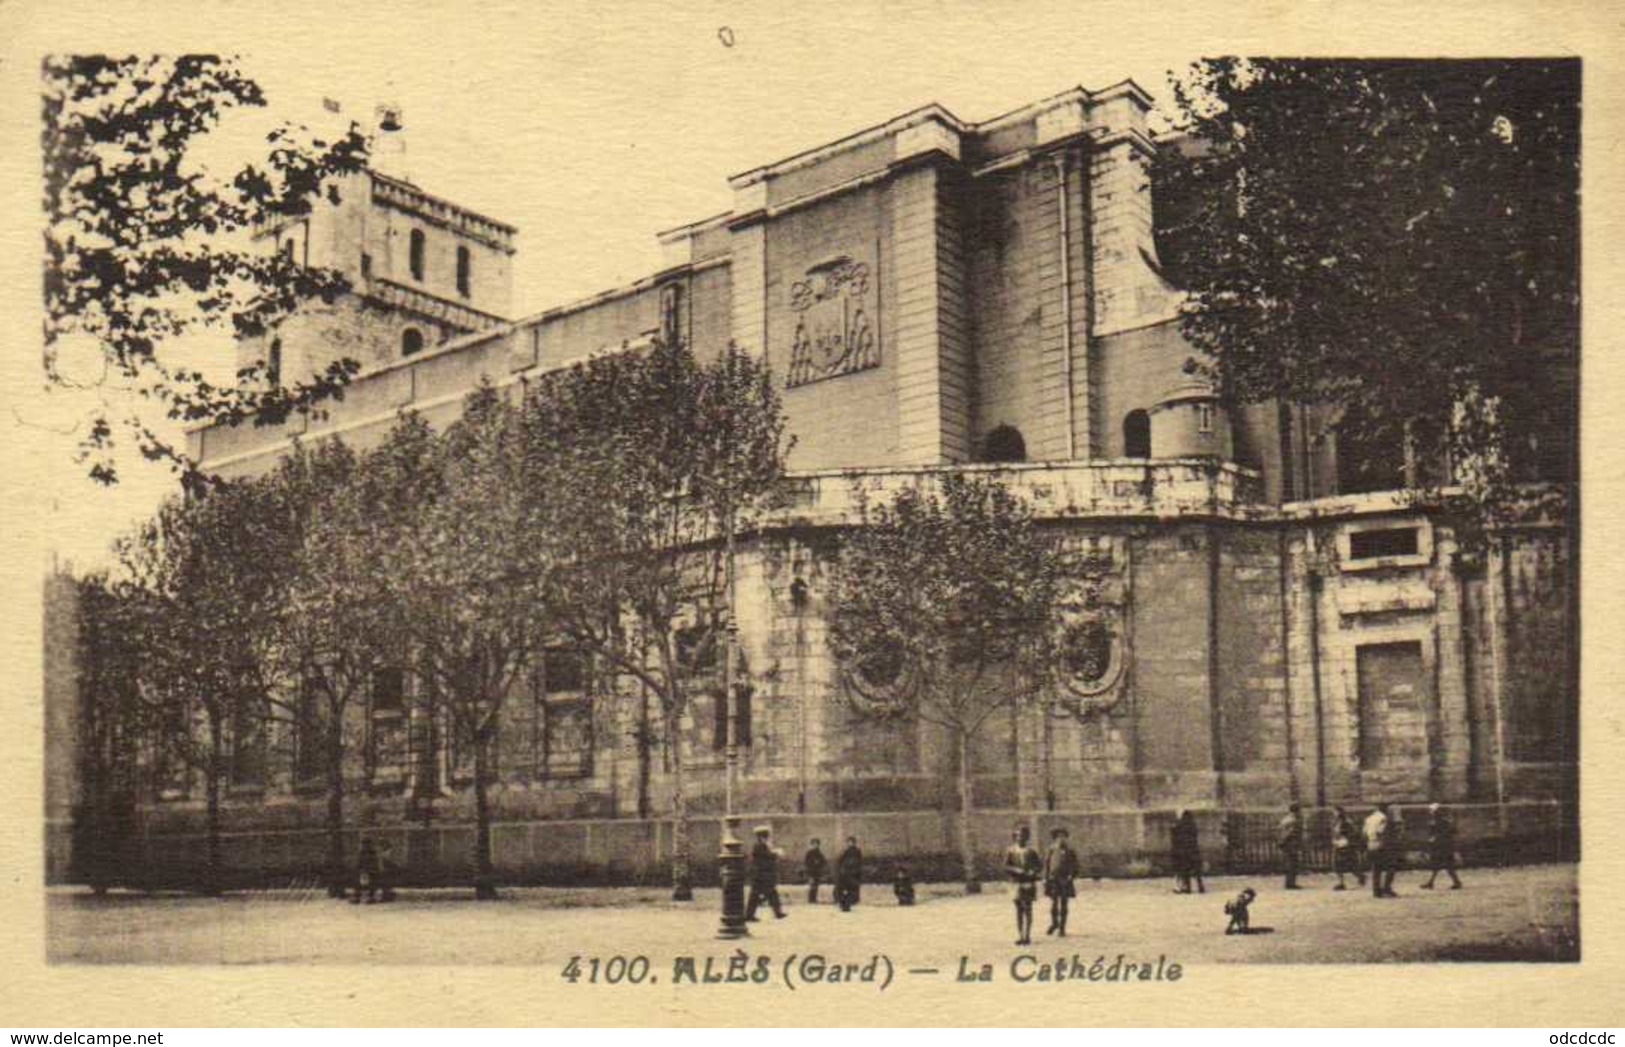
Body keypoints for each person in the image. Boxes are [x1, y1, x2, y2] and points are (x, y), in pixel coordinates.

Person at [1003, 825, 1043, 946]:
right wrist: (1016, 870)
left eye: (1023, 836)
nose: (1020, 838)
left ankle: (1027, 935)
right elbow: (1006, 866)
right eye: (1018, 836)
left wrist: (1033, 871)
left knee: (1028, 908)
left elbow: (1039, 866)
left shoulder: (1031, 852)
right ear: (1015, 837)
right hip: (1016, 883)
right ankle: (1020, 935)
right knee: (1019, 909)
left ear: (1027, 838)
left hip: (1028, 882)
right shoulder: (1010, 851)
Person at [744, 825, 786, 921]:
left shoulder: (762, 846)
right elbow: (766, 857)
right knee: (759, 895)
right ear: (761, 837)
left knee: (769, 894)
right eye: (765, 836)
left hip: (762, 875)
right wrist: (776, 853)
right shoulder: (759, 846)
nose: (766, 838)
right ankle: (749, 915)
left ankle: (777, 912)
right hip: (760, 875)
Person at [1043, 827, 1079, 937]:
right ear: (1055, 838)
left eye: (1063, 836)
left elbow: (1076, 866)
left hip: (1065, 880)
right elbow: (1047, 865)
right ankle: (1054, 923)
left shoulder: (1070, 851)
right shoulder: (1051, 849)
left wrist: (1071, 876)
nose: (1061, 839)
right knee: (1054, 904)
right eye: (1059, 836)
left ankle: (1062, 928)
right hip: (1053, 879)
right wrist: (1045, 878)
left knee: (1064, 904)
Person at [1421, 802, 1463, 890]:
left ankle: (1455, 882)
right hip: (1444, 845)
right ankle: (1455, 882)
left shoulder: (1438, 821)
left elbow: (1446, 832)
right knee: (1445, 865)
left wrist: (1435, 838)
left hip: (1442, 846)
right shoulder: (1443, 821)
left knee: (1441, 865)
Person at [1364, 802, 1400, 898]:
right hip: (1381, 844)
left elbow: (1364, 833)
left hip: (1371, 844)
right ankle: (1386, 888)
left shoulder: (1369, 818)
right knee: (1391, 866)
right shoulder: (1384, 818)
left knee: (1376, 869)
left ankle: (1376, 891)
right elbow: (1381, 832)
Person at [1331, 805, 1366, 890]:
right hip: (1338, 844)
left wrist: (1348, 841)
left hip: (1346, 845)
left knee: (1350, 864)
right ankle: (1341, 883)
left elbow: (1353, 833)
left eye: (1337, 812)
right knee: (1336, 863)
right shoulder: (1335, 822)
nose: (1335, 814)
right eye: (1334, 812)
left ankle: (1360, 876)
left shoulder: (1347, 822)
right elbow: (1335, 833)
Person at [1170, 810, 1204, 894]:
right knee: (1197, 872)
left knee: (1186, 871)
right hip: (1194, 850)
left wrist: (1173, 828)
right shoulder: (1193, 825)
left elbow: (1175, 836)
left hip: (1184, 852)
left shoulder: (1180, 825)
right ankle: (1201, 887)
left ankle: (1188, 888)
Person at [1278, 801, 1305, 889]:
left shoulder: (1285, 819)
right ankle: (1290, 883)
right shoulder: (1294, 820)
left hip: (1287, 844)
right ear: (1296, 810)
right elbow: (1290, 832)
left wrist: (1281, 841)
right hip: (1291, 844)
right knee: (1292, 863)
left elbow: (1280, 830)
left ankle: (1289, 882)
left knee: (1289, 863)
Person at [835, 836, 863, 912]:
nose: (851, 844)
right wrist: (842, 869)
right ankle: (844, 903)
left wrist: (857, 870)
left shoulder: (857, 851)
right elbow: (840, 861)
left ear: (854, 843)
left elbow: (860, 862)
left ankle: (850, 902)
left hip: (854, 873)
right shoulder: (846, 852)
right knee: (846, 889)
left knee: (853, 889)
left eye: (852, 842)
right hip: (847, 873)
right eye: (849, 842)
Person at [352, 838, 380, 905]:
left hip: (370, 871)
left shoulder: (372, 853)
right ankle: (357, 896)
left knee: (371, 878)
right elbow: (358, 863)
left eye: (366, 844)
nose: (365, 846)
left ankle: (370, 897)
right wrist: (360, 870)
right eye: (364, 844)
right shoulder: (361, 853)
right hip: (362, 872)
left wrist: (368, 870)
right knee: (357, 878)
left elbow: (375, 864)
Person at [804, 838, 829, 904]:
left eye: (816, 844)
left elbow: (823, 861)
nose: (815, 845)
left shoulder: (819, 853)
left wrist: (819, 864)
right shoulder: (809, 853)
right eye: (814, 844)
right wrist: (812, 864)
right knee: (812, 885)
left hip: (817, 871)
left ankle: (814, 898)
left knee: (816, 885)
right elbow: (806, 862)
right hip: (811, 871)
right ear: (812, 845)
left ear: (818, 845)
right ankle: (811, 899)